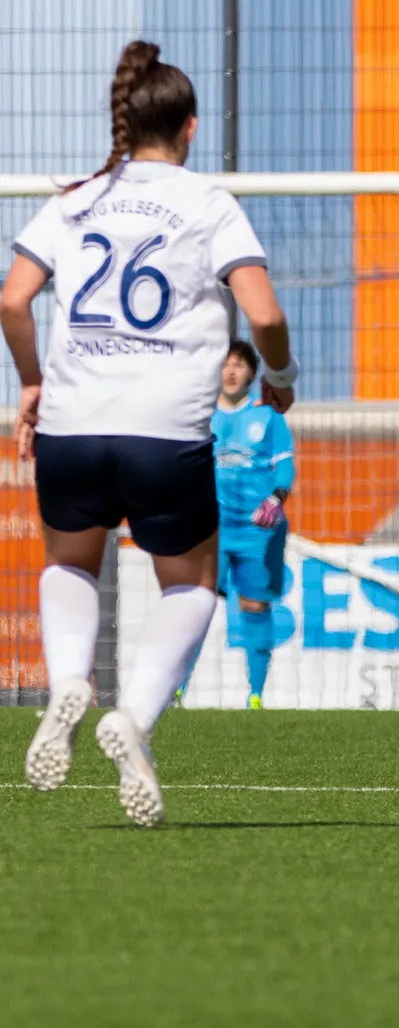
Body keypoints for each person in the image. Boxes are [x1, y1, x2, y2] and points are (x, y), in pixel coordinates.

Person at [5, 41, 297, 826]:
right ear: (190, 127)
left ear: (124, 123)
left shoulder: (74, 199)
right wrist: (281, 373)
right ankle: (132, 715)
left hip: (71, 425)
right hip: (165, 432)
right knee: (192, 585)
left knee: (69, 561)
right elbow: (265, 314)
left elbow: (13, 300)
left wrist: (30, 383)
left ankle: (71, 679)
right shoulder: (208, 202)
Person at [175, 340, 294, 709]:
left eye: (239, 364)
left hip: (256, 532)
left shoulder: (268, 417)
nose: (230, 371)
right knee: (196, 604)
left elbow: (285, 468)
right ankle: (176, 688)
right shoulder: (200, 416)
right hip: (210, 530)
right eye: (225, 363)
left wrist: (276, 498)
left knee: (255, 607)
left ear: (251, 374)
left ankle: (255, 694)